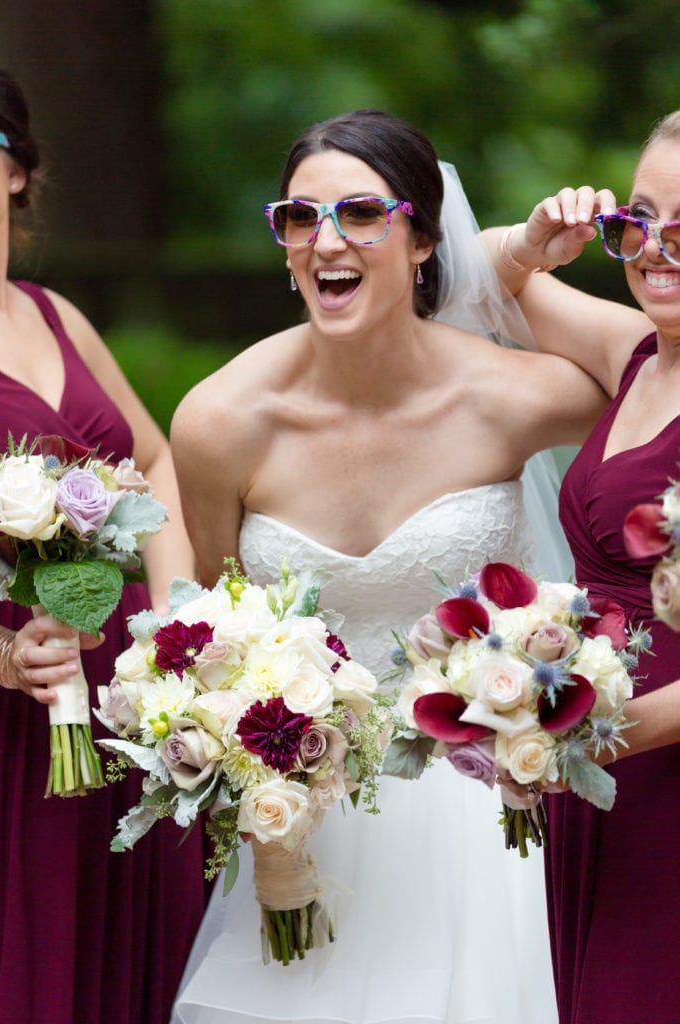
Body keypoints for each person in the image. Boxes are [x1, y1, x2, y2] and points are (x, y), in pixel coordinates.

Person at [168, 109, 609, 1024]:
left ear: (422, 240)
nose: (325, 241)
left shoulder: (518, 397)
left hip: (498, 821)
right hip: (312, 825)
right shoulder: (221, 421)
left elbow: (652, 415)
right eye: (299, 218)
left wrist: (514, 257)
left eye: (361, 214)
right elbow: (218, 639)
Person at [0, 68, 207, 1024]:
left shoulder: (50, 313)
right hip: (13, 707)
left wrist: (172, 624)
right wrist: (7, 657)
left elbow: (152, 454)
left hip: (117, 696)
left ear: (14, 170)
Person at [481, 110, 680, 1024]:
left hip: (645, 752)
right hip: (593, 765)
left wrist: (584, 740)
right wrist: (536, 239)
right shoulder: (634, 351)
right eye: (636, 220)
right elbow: (474, 270)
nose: (653, 249)